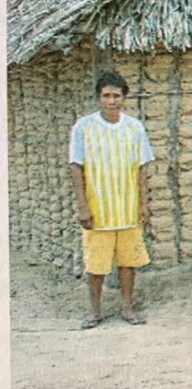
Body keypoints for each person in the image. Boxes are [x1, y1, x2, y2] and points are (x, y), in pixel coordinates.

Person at [70, 72, 154, 328]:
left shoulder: (134, 127)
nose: (111, 101)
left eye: (116, 96)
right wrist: (83, 206)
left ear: (124, 98)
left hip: (127, 210)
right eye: (106, 95)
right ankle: (95, 312)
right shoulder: (83, 127)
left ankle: (127, 308)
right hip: (98, 211)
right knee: (96, 265)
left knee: (128, 263)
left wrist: (143, 203)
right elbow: (76, 167)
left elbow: (142, 168)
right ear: (99, 98)